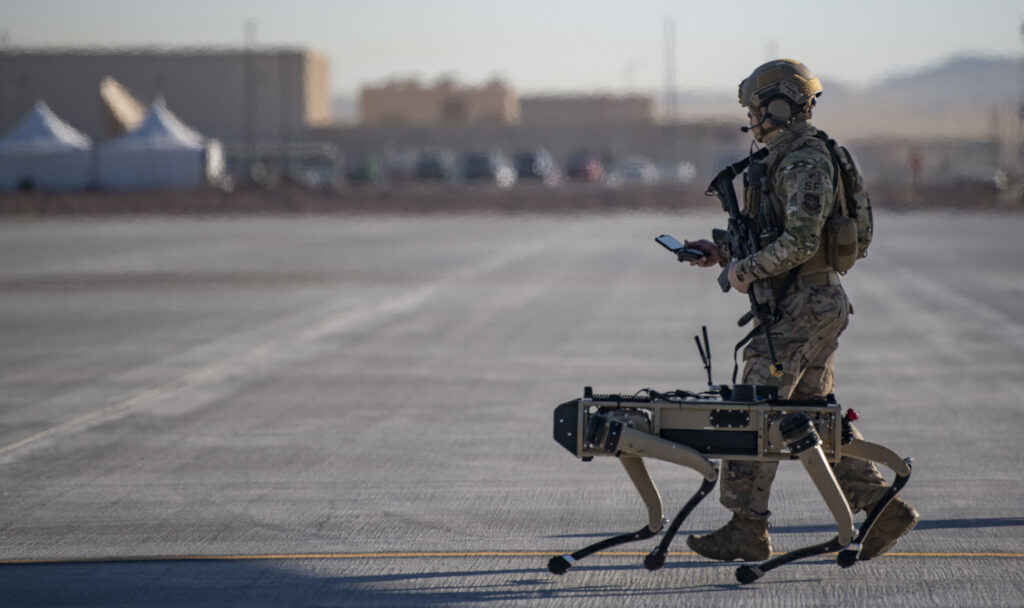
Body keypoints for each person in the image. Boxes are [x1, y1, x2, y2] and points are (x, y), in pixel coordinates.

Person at [682, 59, 919, 562]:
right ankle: (882, 509)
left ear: (782, 106)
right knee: (809, 418)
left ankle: (747, 527)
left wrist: (742, 272)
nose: (752, 119)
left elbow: (800, 241)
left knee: (753, 410)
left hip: (804, 306)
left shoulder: (804, 161)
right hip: (804, 303)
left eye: (757, 109)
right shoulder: (785, 158)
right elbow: (781, 240)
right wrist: (724, 253)